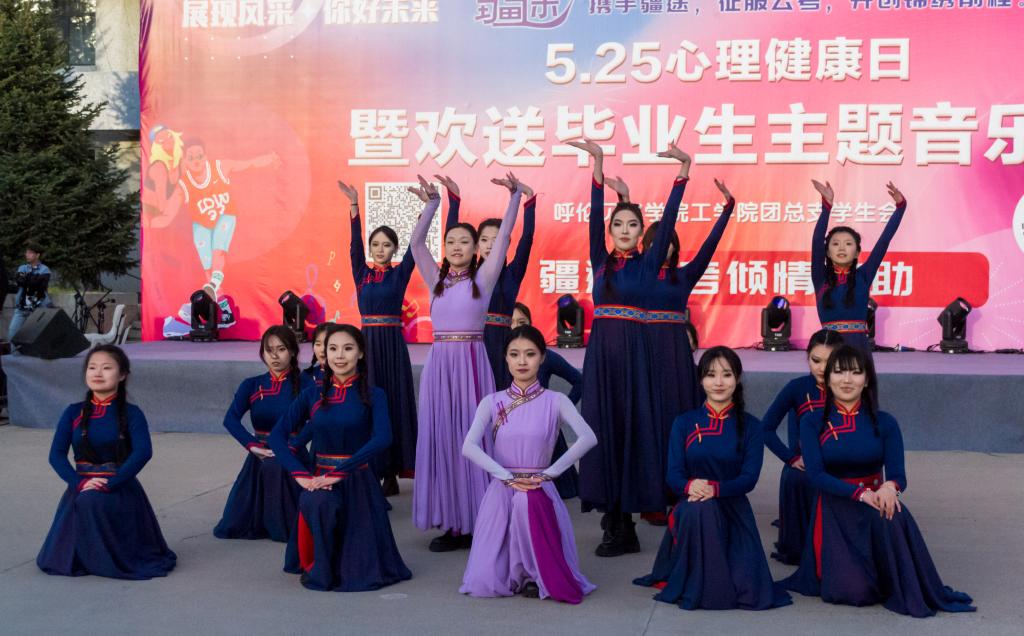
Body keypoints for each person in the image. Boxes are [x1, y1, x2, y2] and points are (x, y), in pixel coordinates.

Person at [781, 345, 974, 617]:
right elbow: (816, 475)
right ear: (828, 379)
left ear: (867, 379)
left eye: (855, 372)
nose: (847, 380)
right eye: (839, 372)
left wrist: (890, 487)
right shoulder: (812, 422)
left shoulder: (885, 422)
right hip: (836, 508)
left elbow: (898, 474)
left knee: (895, 526)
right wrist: (860, 494)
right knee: (855, 592)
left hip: (878, 504)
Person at [565, 138, 688, 556]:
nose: (623, 230)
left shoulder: (648, 264)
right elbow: (593, 215)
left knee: (633, 432)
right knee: (603, 432)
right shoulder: (600, 261)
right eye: (618, 224)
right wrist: (598, 164)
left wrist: (683, 172)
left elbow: (668, 219)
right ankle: (613, 515)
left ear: (641, 233)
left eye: (632, 225)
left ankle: (626, 522)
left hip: (636, 359)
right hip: (602, 358)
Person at [408, 174, 524, 552]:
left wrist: (514, 198)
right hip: (440, 366)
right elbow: (415, 244)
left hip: (472, 365)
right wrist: (432, 206)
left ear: (476, 249)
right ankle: (452, 523)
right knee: (442, 440)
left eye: (464, 242)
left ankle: (478, 520)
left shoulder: (484, 278)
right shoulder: (435, 279)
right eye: (451, 241)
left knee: (473, 440)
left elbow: (503, 238)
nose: (456, 246)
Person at [634, 347, 792, 610]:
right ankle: (705, 587)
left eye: (726, 374)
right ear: (701, 380)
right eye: (710, 375)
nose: (718, 382)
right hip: (692, 506)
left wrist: (715, 489)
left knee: (748, 589)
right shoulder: (684, 423)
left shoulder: (752, 426)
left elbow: (749, 479)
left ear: (737, 379)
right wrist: (690, 485)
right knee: (701, 509)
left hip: (733, 509)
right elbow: (673, 476)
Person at [269, 324, 411, 592]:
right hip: (319, 481)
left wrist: (338, 473)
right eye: (332, 349)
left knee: (358, 570)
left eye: (348, 348)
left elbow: (383, 438)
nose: (340, 356)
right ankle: (319, 564)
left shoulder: (374, 395)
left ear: (360, 353)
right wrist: (301, 476)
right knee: (317, 502)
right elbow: (277, 437)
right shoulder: (312, 394)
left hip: (358, 482)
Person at [460, 326, 597, 603]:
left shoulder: (555, 401)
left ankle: (535, 575)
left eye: (530, 354)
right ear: (505, 358)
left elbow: (588, 438)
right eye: (514, 354)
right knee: (485, 579)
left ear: (543, 358)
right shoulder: (492, 401)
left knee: (527, 505)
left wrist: (549, 474)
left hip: (537, 487)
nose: (522, 361)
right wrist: (506, 477)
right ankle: (514, 574)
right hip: (502, 489)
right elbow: (468, 446)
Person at [638, 175, 735, 525]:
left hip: (676, 356)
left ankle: (679, 490)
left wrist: (727, 209)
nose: (661, 247)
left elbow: (709, 246)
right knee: (647, 423)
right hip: (644, 351)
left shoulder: (684, 276)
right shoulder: (639, 275)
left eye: (667, 242)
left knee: (678, 422)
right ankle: (650, 495)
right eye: (654, 243)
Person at [37, 345, 177, 579]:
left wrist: (110, 484)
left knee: (92, 502)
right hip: (82, 486)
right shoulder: (73, 412)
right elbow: (56, 455)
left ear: (122, 375)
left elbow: (143, 452)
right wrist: (79, 483)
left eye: (106, 368)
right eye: (92, 367)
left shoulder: (132, 413)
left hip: (118, 486)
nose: (97, 373)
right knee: (81, 510)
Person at [339, 179, 418, 496]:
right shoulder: (362, 274)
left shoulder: (399, 274)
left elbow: (415, 248)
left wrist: (427, 210)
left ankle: (392, 472)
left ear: (394, 249)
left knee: (394, 404)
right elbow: (354, 245)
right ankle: (371, 466)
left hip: (393, 348)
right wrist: (354, 205)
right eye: (376, 245)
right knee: (367, 404)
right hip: (367, 346)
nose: (380, 249)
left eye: (386, 245)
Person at [214, 326, 314, 541]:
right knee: (232, 525)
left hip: (292, 453)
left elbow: (316, 422)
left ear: (293, 352)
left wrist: (293, 446)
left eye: (281, 349)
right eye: (269, 350)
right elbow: (230, 419)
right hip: (260, 454)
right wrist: (252, 446)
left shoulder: (306, 385)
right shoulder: (252, 384)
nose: (275, 356)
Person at [442, 175, 536, 390]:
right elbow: (453, 236)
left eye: (497, 240)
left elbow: (527, 238)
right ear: (476, 245)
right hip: (472, 344)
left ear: (506, 243)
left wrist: (528, 197)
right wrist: (454, 200)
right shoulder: (467, 275)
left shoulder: (512, 273)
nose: (490, 245)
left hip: (504, 345)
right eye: (484, 240)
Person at [760, 329, 843, 564]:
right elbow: (765, 429)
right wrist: (791, 458)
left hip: (841, 464)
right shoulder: (796, 388)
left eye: (830, 361)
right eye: (816, 360)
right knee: (796, 477)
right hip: (804, 466)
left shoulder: (851, 386)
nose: (822, 368)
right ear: (807, 357)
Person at [810, 179, 906, 358]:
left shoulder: (863, 276)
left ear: (857, 252)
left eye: (848, 244)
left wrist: (900, 207)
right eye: (835, 244)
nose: (841, 248)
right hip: (828, 351)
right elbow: (816, 242)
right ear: (827, 252)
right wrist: (827, 207)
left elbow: (884, 241)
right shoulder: (820, 278)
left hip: (859, 351)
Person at [511, 302, 582, 499]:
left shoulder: (546, 357)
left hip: (545, 434)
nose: (516, 327)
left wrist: (560, 413)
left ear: (531, 324)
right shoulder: (497, 358)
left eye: (522, 322)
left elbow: (579, 381)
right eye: (511, 322)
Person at [8, 242, 53, 342]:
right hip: (21, 308)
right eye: (26, 252)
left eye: (30, 253)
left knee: (39, 338)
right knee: (12, 334)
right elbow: (20, 281)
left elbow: (40, 286)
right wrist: (33, 279)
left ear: (37, 255)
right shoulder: (22, 268)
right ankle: (14, 352)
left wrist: (27, 279)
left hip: (38, 308)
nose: (27, 255)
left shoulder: (45, 269)